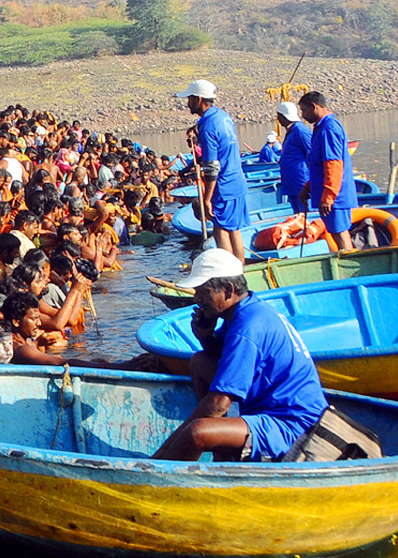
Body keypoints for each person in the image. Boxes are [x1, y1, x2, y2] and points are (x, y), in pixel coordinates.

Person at [152, 248, 328, 461]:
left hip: (292, 425)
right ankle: (224, 453)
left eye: (203, 292)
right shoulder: (246, 309)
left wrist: (164, 451)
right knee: (200, 362)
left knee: (196, 432)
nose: (196, 298)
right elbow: (226, 361)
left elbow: (219, 403)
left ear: (227, 290)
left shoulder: (247, 327)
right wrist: (206, 337)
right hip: (270, 406)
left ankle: (170, 477)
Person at [177, 79, 248, 262]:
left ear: (199, 99)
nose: (188, 104)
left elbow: (211, 167)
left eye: (190, 99)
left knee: (221, 230)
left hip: (223, 185)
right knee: (234, 229)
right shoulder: (222, 116)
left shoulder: (208, 126)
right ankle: (240, 269)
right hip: (236, 180)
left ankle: (230, 272)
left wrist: (207, 199)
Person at [298, 92, 359, 252]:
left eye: (304, 110)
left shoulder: (329, 129)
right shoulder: (321, 128)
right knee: (335, 231)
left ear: (314, 107)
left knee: (340, 233)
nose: (303, 115)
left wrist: (329, 196)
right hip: (328, 193)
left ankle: (348, 264)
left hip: (336, 197)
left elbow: (333, 165)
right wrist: (309, 187)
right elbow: (320, 165)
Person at [276, 101, 312, 214]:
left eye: (279, 116)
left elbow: (313, 153)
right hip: (291, 184)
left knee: (307, 215)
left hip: (301, 183)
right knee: (298, 217)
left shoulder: (300, 131)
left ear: (285, 116)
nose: (278, 119)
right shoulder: (291, 132)